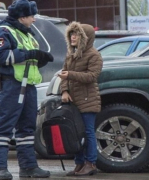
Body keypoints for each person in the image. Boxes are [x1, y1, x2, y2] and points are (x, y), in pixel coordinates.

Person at [0, 0, 53, 179]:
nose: (34, 19)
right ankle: (0, 169)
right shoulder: (3, 31)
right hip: (12, 85)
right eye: (32, 16)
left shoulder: (25, 34)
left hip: (27, 85)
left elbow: (27, 60)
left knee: (27, 129)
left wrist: (39, 59)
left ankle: (29, 167)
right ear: (22, 17)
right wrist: (30, 54)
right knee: (3, 127)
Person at [58, 21, 103, 176]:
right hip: (73, 101)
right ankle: (79, 163)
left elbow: (92, 76)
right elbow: (64, 74)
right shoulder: (71, 54)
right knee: (76, 133)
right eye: (71, 33)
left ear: (85, 38)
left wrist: (70, 75)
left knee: (88, 132)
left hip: (87, 100)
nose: (73, 37)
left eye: (76, 34)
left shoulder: (94, 55)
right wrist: (64, 91)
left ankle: (91, 163)